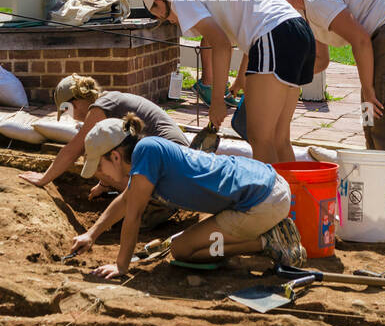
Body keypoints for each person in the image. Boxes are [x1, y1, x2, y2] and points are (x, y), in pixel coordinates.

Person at [258, 0, 385, 228]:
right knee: (370, 123)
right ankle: (382, 209)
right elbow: (321, 60)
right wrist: (283, 80)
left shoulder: (318, 1)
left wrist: (368, 90)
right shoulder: (304, 12)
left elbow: (360, 40)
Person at [67, 113, 306, 279]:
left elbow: (133, 215)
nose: (100, 175)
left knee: (183, 250)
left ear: (116, 157)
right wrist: (91, 234)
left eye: (100, 167)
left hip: (261, 202)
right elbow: (126, 200)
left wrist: (121, 266)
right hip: (266, 186)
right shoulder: (148, 150)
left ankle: (267, 241)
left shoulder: (146, 153)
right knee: (180, 243)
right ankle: (266, 232)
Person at [140, 0, 314, 164]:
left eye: (156, 11)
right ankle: (293, 194)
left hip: (274, 34)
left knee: (260, 138)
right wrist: (241, 78)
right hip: (298, 31)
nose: (160, 19)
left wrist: (217, 101)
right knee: (279, 138)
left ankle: (270, 194)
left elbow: (221, 45)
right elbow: (248, 21)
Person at [17, 74, 188, 227]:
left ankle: (154, 204)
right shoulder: (109, 100)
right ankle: (152, 199)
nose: (73, 117)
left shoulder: (99, 108)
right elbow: (117, 145)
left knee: (91, 155)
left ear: (75, 103)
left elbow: (74, 149)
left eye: (67, 111)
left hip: (172, 170)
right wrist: (105, 184)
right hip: (177, 162)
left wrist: (43, 179)